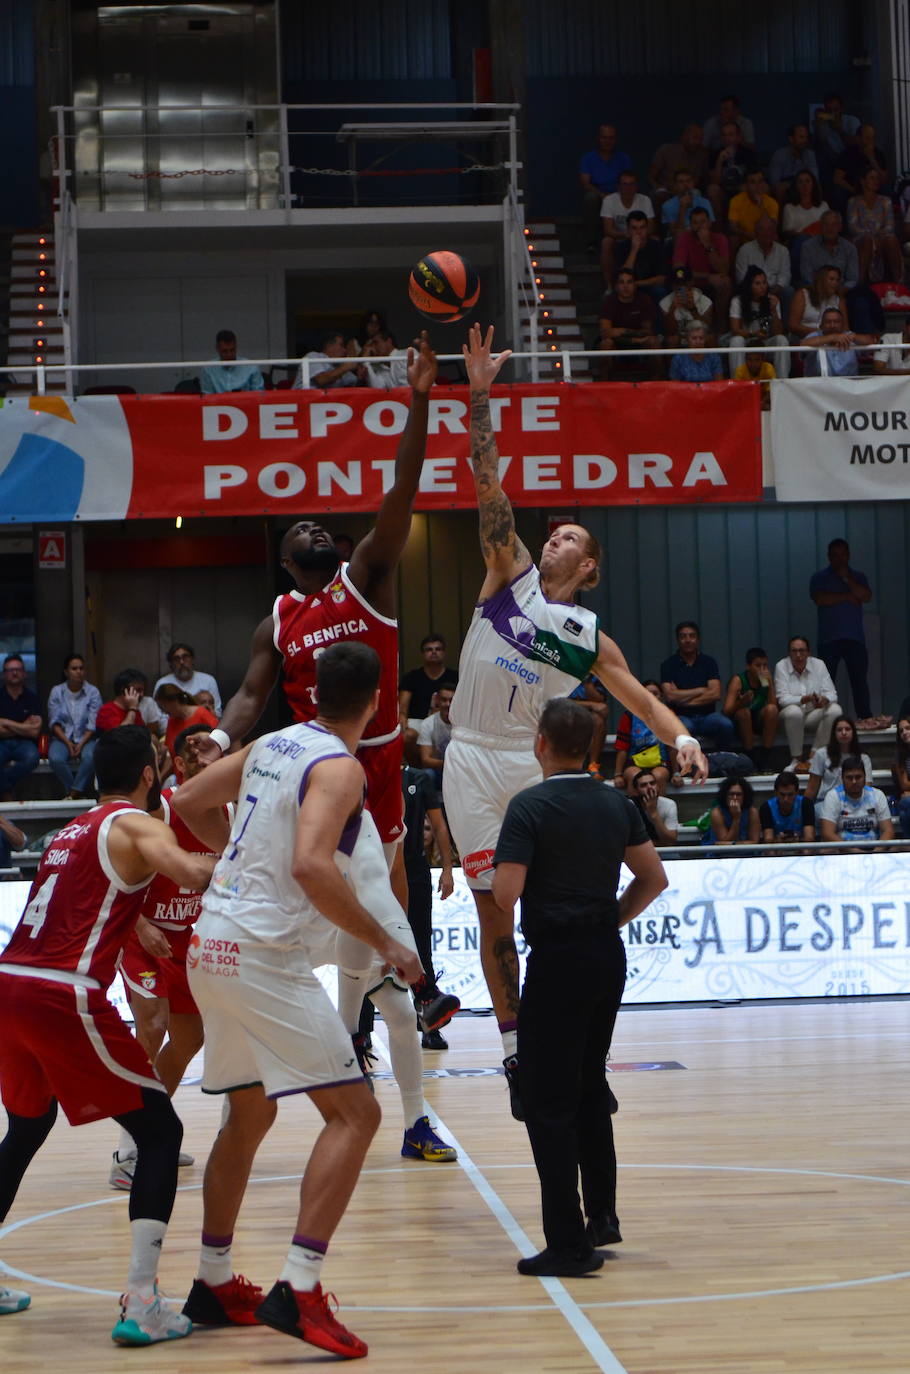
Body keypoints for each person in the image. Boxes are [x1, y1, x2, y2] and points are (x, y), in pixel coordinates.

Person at [443, 323, 706, 1119]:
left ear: (587, 567)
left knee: (545, 908)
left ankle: (564, 1028)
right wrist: (480, 396)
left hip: (528, 767)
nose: (553, 537)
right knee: (493, 912)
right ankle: (517, 1047)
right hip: (468, 757)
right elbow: (488, 484)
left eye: (569, 538)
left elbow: (637, 696)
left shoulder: (587, 635)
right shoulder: (506, 572)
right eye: (551, 532)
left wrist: (682, 736)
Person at [198, 338, 458, 1067]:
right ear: (286, 562)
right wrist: (219, 741)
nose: (315, 527)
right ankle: (326, 996)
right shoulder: (277, 618)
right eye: (299, 531)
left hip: (374, 754)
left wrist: (419, 401)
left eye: (322, 526)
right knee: (327, 881)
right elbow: (251, 695)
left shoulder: (367, 578)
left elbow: (401, 494)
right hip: (309, 759)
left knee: (387, 873)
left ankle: (379, 1011)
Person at [172, 642, 425, 1353]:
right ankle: (301, 1286)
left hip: (211, 943)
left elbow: (187, 799)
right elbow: (312, 866)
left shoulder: (272, 743)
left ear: (312, 694)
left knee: (246, 1116)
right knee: (356, 1112)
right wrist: (389, 943)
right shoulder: (340, 768)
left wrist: (233, 863)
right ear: (380, 702)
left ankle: (212, 1280)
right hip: (260, 952)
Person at [0, 725, 217, 1342]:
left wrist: (133, 929)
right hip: (58, 993)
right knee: (162, 1130)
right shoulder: (136, 824)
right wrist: (243, 853)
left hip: (9, 984)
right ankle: (143, 1301)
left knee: (27, 1127)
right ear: (150, 776)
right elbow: (192, 874)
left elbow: (82, 905)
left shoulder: (69, 832)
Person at [491, 698, 668, 1277]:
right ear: (589, 747)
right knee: (591, 1082)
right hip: (605, 957)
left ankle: (567, 1243)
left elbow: (506, 895)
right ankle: (603, 1217)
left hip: (558, 961)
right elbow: (653, 878)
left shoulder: (529, 806)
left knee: (549, 1101)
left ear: (540, 743)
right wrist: (610, 919)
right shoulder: (616, 802)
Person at [111, 724, 230, 1191]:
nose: (207, 762)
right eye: (196, 756)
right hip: (141, 930)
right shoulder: (158, 809)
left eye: (213, 755)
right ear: (178, 766)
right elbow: (120, 874)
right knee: (153, 1025)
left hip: (188, 939)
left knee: (188, 1039)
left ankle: (153, 1131)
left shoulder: (230, 811)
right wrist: (140, 925)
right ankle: (126, 1150)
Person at [401, 763, 456, 1049]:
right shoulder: (361, 771)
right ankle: (362, 1032)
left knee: (422, 947)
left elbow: (438, 825)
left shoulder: (417, 777)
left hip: (415, 871)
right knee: (366, 951)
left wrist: (447, 868)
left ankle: (430, 1027)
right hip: (375, 871)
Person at [809, 538, 886, 730]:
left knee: (859, 680)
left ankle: (865, 718)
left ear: (848, 555)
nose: (839, 559)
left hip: (854, 638)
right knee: (826, 682)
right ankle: (821, 720)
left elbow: (865, 596)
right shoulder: (820, 577)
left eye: (843, 554)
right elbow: (820, 598)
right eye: (835, 555)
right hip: (829, 639)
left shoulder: (858, 576)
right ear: (829, 557)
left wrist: (846, 579)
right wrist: (846, 597)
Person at [660, 621, 734, 749]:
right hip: (682, 716)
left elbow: (715, 694)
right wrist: (701, 690)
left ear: (698, 639)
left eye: (691, 636)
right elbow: (670, 696)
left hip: (707, 716)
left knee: (726, 724)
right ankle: (688, 767)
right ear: (678, 640)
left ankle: (722, 760)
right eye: (683, 636)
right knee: (684, 729)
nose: (688, 640)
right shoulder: (668, 665)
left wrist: (683, 699)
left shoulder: (709, 663)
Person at [773, 635, 840, 773]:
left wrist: (824, 699)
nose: (798, 655)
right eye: (794, 651)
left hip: (811, 714)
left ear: (808, 653)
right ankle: (796, 759)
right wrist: (804, 699)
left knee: (835, 710)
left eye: (802, 651)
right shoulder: (781, 666)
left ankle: (813, 757)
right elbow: (782, 699)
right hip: (789, 716)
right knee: (794, 711)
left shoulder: (818, 664)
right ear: (789, 653)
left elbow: (832, 693)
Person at [46, 653, 102, 799]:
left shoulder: (93, 692)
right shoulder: (57, 692)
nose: (78, 672)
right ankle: (76, 792)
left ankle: (73, 793)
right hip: (62, 738)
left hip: (87, 738)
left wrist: (81, 743)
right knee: (56, 758)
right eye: (74, 668)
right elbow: (54, 722)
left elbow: (93, 722)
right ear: (66, 672)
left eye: (81, 668)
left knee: (91, 757)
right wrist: (68, 743)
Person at [399, 632, 459, 764]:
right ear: (423, 653)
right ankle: (418, 768)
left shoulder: (456, 677)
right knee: (406, 737)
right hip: (418, 721)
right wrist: (402, 717)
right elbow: (402, 706)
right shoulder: (412, 677)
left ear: (444, 653)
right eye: (429, 649)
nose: (433, 652)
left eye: (438, 649)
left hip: (448, 721)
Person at [672, 206, 732, 326]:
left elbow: (723, 269)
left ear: (709, 222)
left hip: (712, 284)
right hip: (691, 282)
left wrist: (708, 245)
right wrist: (707, 276)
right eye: (695, 222)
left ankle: (720, 326)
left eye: (703, 222)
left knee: (725, 282)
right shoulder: (684, 238)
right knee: (679, 282)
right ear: (690, 224)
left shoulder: (720, 239)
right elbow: (679, 271)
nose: (699, 226)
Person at [722, 646, 779, 771]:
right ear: (748, 666)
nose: (762, 669)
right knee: (744, 712)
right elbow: (726, 710)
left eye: (765, 665)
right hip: (739, 722)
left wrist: (770, 685)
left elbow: (773, 704)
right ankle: (750, 756)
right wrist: (742, 702)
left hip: (757, 720)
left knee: (772, 710)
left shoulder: (764, 680)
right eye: (758, 666)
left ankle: (765, 756)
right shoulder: (739, 680)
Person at [598, 268, 662, 378]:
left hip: (639, 341)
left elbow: (648, 331)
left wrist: (623, 332)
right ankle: (606, 384)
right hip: (617, 343)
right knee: (605, 344)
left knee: (654, 342)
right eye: (621, 282)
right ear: (616, 286)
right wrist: (633, 338)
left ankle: (656, 383)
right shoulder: (609, 301)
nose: (625, 286)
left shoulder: (644, 299)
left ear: (635, 285)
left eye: (629, 282)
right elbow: (606, 332)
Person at [729, 266, 789, 378]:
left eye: (764, 283)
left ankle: (782, 383)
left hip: (764, 343)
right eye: (757, 283)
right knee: (736, 341)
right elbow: (735, 330)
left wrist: (773, 310)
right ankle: (737, 383)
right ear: (749, 285)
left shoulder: (772, 300)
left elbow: (778, 332)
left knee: (782, 340)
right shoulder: (738, 301)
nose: (762, 287)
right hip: (747, 342)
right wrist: (753, 334)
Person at [579, 124, 633, 251]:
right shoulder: (588, 158)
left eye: (611, 138)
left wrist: (616, 195)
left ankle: (628, 238)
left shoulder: (623, 158)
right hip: (598, 194)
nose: (607, 141)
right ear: (598, 138)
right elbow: (585, 183)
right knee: (590, 198)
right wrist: (603, 195)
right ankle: (591, 242)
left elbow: (628, 179)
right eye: (604, 137)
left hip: (620, 193)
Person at [612, 680, 671, 792]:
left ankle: (656, 809)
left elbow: (673, 747)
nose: (651, 696)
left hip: (661, 763)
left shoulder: (668, 715)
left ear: (661, 697)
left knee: (658, 776)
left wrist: (677, 773)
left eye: (655, 693)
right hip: (634, 763)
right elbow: (622, 747)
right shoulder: (629, 716)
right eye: (647, 693)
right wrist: (618, 774)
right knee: (634, 776)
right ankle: (635, 809)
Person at [818, 756, 894, 842]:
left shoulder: (877, 795)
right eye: (849, 778)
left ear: (865, 777)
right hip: (842, 850)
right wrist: (852, 850)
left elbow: (888, 831)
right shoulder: (833, 796)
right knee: (827, 850)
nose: (854, 782)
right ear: (842, 779)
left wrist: (877, 850)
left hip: (873, 849)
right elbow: (827, 833)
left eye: (858, 777)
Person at [599, 171, 657, 283]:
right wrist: (628, 234)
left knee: (655, 240)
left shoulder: (645, 200)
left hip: (641, 236)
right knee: (606, 242)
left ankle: (651, 282)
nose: (628, 187)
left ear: (636, 186)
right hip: (620, 236)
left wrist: (638, 234)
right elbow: (608, 230)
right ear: (618, 186)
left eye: (631, 184)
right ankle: (610, 286)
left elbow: (650, 228)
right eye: (624, 184)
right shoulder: (609, 200)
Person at [847, 168, 902, 284]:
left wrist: (877, 237)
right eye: (872, 178)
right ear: (863, 181)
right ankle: (860, 282)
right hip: (861, 239)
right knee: (867, 240)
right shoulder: (854, 201)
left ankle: (898, 282)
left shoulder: (885, 201)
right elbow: (853, 227)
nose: (876, 181)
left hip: (881, 238)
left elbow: (890, 226)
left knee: (891, 239)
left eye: (877, 178)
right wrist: (871, 236)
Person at [0, 655, 41, 800]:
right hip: (2, 744)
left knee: (32, 757)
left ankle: (4, 788)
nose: (14, 673)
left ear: (24, 673)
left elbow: (35, 731)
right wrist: (24, 727)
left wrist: (6, 722)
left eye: (18, 669)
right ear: (4, 674)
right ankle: (6, 792)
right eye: (10, 670)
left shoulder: (32, 698)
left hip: (25, 744)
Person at [804, 715, 872, 804]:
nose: (844, 733)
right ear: (834, 733)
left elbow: (867, 787)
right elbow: (812, 789)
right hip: (825, 802)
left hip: (854, 803)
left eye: (847, 729)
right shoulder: (821, 754)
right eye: (839, 730)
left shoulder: (863, 758)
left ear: (853, 732)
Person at [802, 306, 877, 378]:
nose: (832, 325)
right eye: (828, 322)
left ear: (843, 325)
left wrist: (854, 337)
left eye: (836, 322)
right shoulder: (815, 336)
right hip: (819, 385)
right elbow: (803, 344)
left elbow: (871, 341)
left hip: (849, 384)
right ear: (821, 325)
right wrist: (832, 337)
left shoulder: (848, 336)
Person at [782, 171, 830, 280]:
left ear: (813, 184)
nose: (804, 185)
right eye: (800, 182)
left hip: (821, 242)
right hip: (799, 245)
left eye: (808, 181)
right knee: (803, 241)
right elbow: (787, 232)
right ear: (796, 186)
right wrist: (807, 235)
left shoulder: (823, 205)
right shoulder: (789, 207)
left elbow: (829, 227)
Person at [154, 683, 218, 765]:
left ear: (174, 701)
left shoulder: (201, 714)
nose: (163, 711)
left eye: (163, 707)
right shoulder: (172, 720)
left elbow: (218, 738)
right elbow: (171, 753)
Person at [153, 644, 222, 718]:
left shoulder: (208, 680)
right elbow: (157, 715)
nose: (182, 662)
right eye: (176, 659)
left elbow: (217, 712)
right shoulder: (162, 683)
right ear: (171, 664)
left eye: (185, 657)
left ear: (192, 659)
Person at [800, 210, 859, 292]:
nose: (830, 228)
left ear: (840, 227)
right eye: (826, 224)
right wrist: (821, 290)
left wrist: (841, 290)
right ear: (820, 226)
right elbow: (807, 277)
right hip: (815, 291)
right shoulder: (808, 247)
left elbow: (853, 279)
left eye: (834, 224)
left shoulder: (850, 248)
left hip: (842, 292)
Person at [649, 125, 710, 204]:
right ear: (684, 137)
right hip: (666, 190)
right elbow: (651, 176)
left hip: (688, 190)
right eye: (695, 138)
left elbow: (699, 179)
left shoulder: (701, 155)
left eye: (701, 139)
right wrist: (658, 187)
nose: (698, 142)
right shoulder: (666, 150)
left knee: (696, 193)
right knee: (660, 194)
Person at [660, 264, 715, 345]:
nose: (681, 287)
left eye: (684, 283)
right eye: (677, 284)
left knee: (710, 338)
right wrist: (672, 309)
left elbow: (707, 329)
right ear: (672, 285)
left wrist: (693, 310)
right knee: (672, 339)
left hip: (698, 337)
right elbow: (670, 331)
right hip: (679, 337)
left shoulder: (705, 301)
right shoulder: (665, 302)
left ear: (691, 282)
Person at [789, 265, 845, 340]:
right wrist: (820, 333)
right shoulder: (802, 294)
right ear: (821, 280)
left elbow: (845, 327)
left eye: (837, 280)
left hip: (833, 341)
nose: (835, 283)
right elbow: (793, 325)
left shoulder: (839, 300)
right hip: (805, 339)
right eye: (831, 279)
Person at [293, 331, 367, 389]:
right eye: (342, 345)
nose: (345, 350)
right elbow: (321, 380)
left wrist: (361, 378)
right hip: (301, 403)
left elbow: (354, 384)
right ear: (329, 346)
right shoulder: (313, 356)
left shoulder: (340, 365)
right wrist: (346, 367)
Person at [200, 330, 264, 395]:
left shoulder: (251, 367)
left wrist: (246, 395)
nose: (229, 354)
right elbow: (207, 397)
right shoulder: (208, 369)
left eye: (232, 350)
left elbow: (260, 395)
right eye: (225, 351)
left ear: (236, 347)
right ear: (217, 349)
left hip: (246, 403)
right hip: (218, 404)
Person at [768, 124, 820, 203]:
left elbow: (815, 178)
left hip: (803, 183)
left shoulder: (810, 154)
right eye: (801, 137)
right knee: (779, 189)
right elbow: (774, 182)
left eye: (806, 137)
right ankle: (783, 214)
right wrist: (794, 184)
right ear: (791, 139)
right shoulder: (780, 154)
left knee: (818, 188)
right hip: (786, 186)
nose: (805, 141)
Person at [759, 771, 816, 842]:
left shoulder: (806, 804)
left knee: (807, 850)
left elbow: (809, 838)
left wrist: (797, 839)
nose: (786, 799)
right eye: (782, 795)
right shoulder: (767, 807)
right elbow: (768, 839)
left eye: (790, 795)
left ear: (797, 792)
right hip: (777, 847)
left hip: (800, 846)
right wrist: (779, 840)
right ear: (776, 792)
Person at [702, 775, 760, 844]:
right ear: (725, 795)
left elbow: (754, 841)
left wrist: (735, 844)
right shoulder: (717, 813)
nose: (734, 798)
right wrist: (736, 819)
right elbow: (725, 842)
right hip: (721, 853)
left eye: (738, 794)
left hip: (746, 852)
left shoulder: (752, 812)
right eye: (731, 794)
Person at [727, 170, 779, 247]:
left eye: (760, 181)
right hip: (744, 237)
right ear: (746, 186)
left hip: (764, 236)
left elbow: (773, 227)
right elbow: (733, 227)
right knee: (734, 238)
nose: (758, 186)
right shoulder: (736, 200)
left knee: (775, 238)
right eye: (753, 182)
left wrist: (761, 205)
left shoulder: (772, 202)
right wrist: (746, 233)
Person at [417, 683, 454, 787]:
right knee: (427, 774)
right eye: (444, 700)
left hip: (459, 771)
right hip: (438, 771)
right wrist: (451, 764)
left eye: (451, 700)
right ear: (437, 700)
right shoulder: (428, 724)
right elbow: (425, 760)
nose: (448, 704)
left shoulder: (465, 723)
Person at [661, 168, 714, 239]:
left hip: (701, 235)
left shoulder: (704, 202)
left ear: (693, 183)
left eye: (689, 181)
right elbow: (675, 232)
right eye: (681, 182)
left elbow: (709, 226)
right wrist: (682, 208)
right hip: (680, 238)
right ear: (675, 185)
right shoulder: (668, 205)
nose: (685, 184)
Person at [629, 767, 679, 844]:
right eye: (643, 785)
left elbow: (671, 840)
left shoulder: (669, 804)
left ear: (658, 786)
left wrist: (654, 813)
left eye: (652, 783)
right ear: (636, 791)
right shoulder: (629, 805)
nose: (649, 787)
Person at [890, 717, 910, 836]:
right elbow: (904, 785)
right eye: (901, 731)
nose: (904, 733)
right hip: (905, 798)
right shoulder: (899, 755)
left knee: (905, 811)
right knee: (906, 802)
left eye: (908, 728)